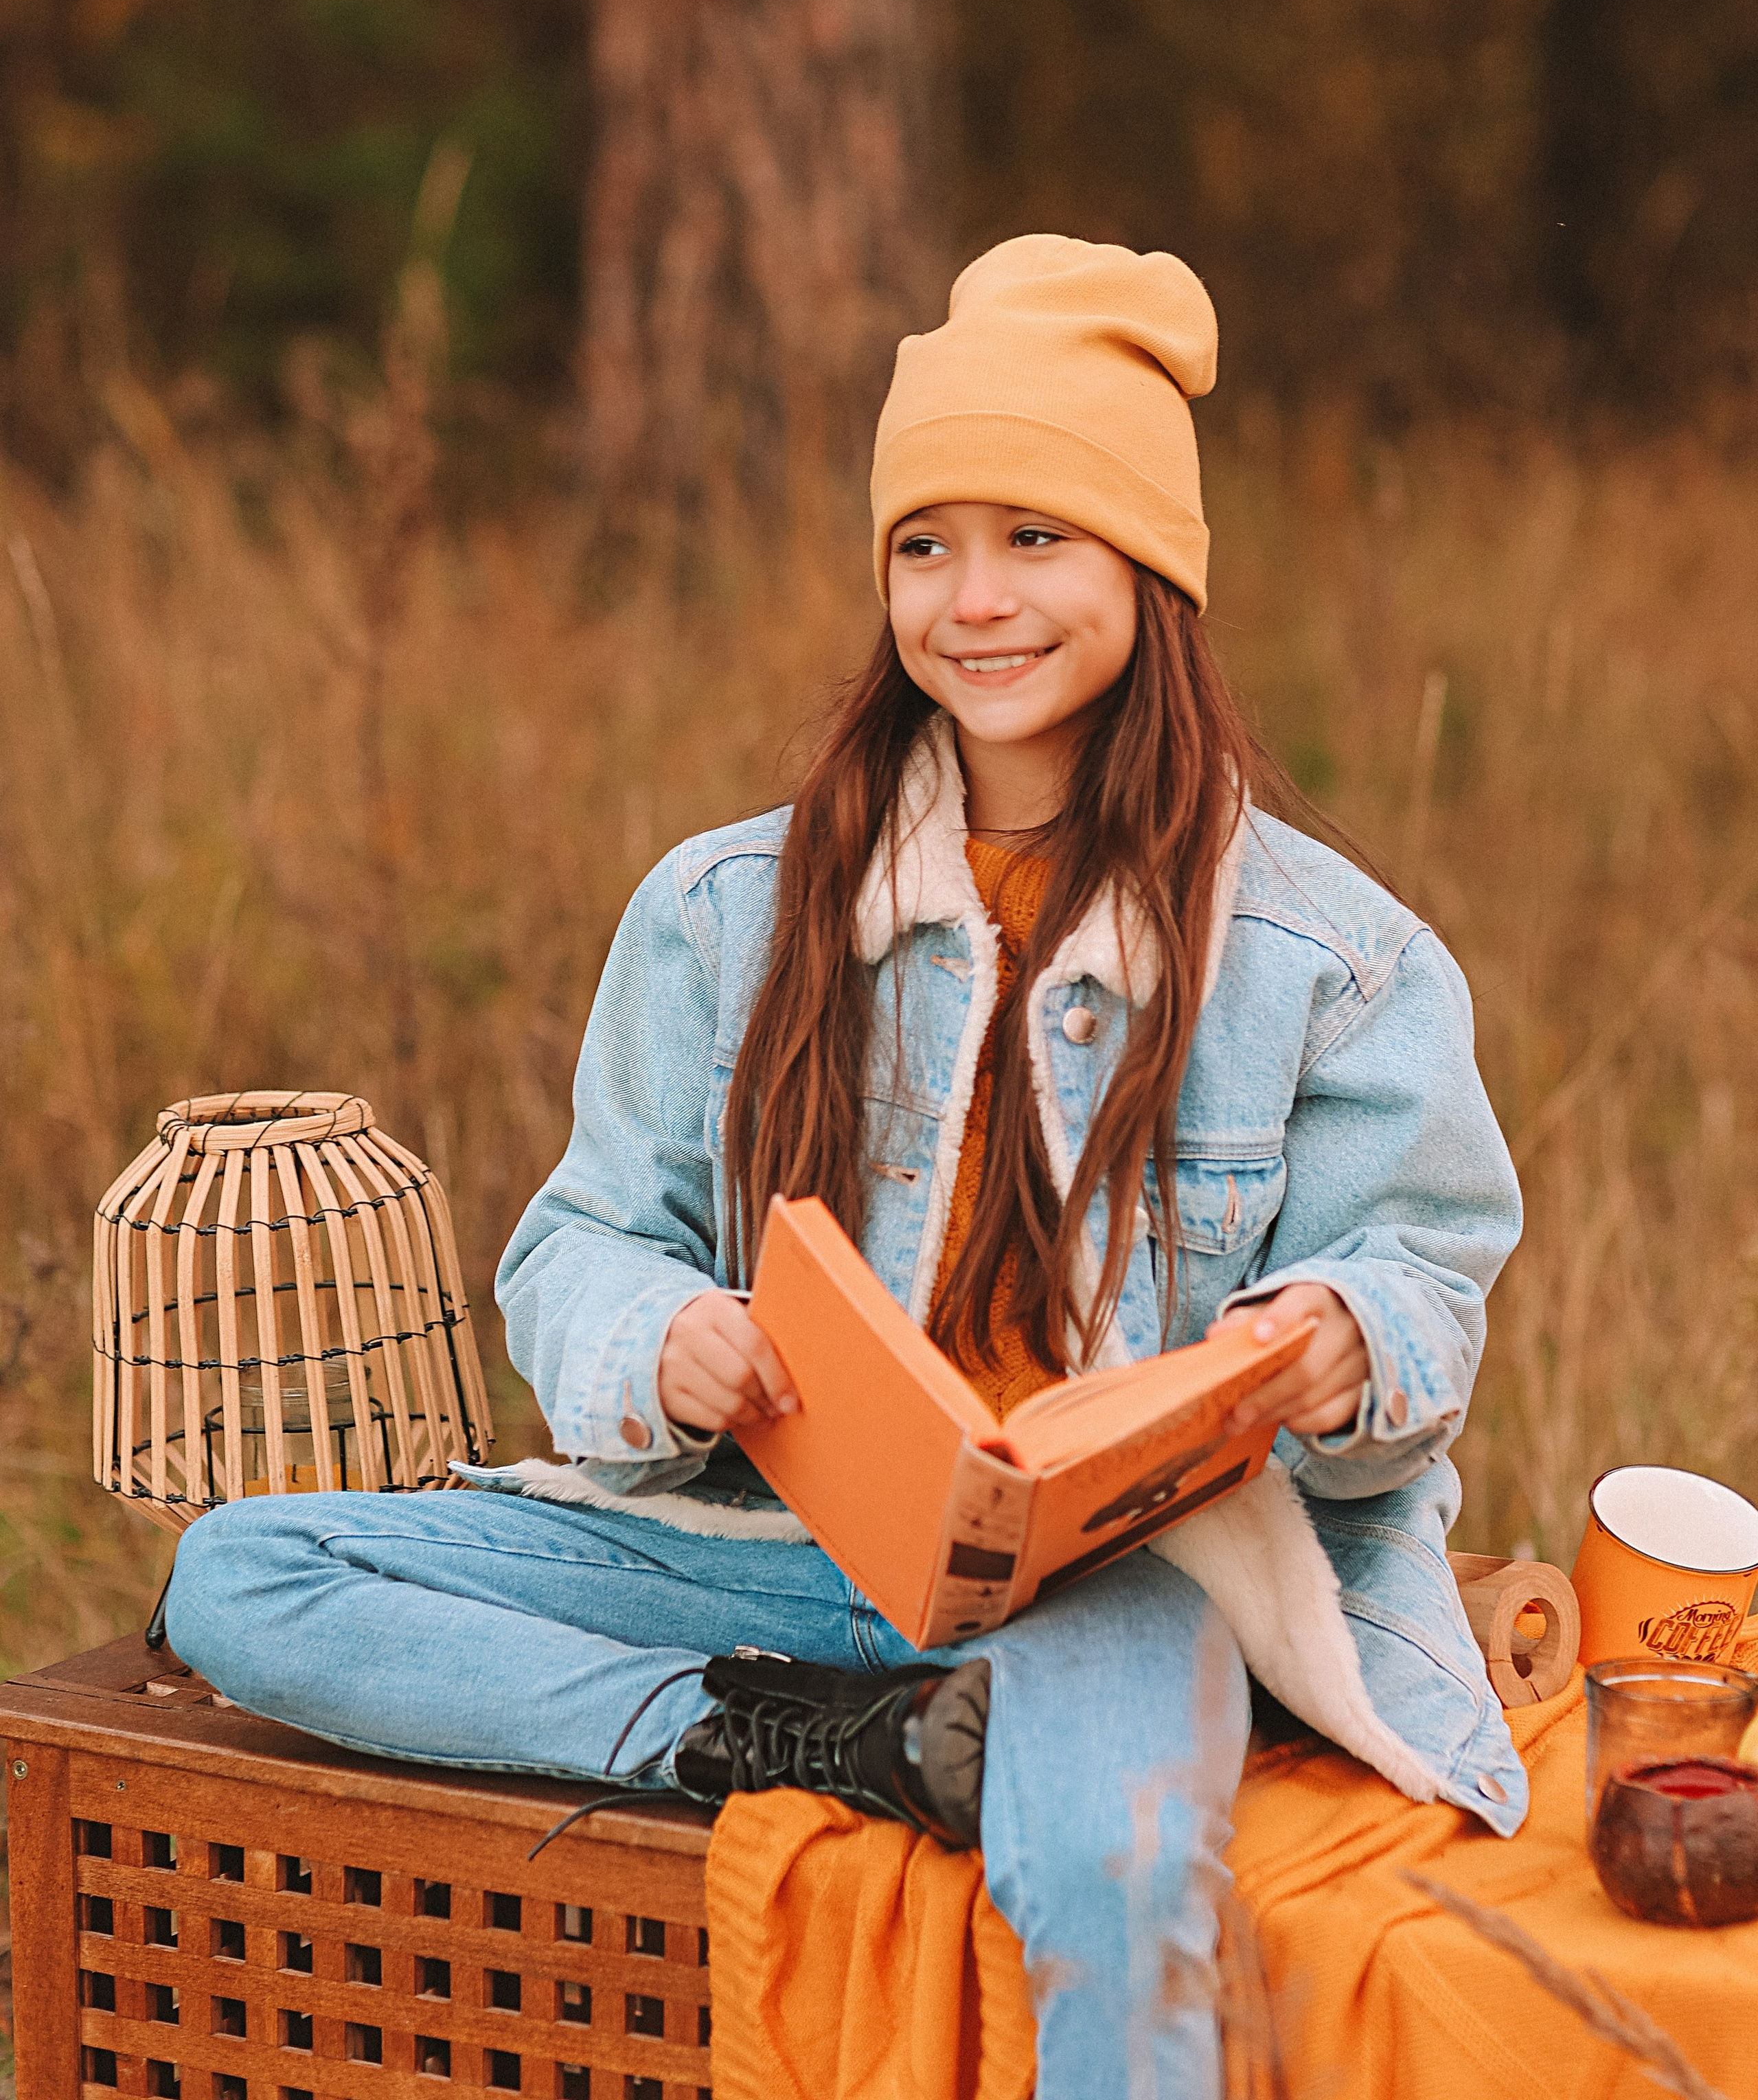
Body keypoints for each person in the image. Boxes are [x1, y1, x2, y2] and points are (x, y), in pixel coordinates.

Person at [167, 235, 1525, 2099]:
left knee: (1120, 1870)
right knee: (244, 1577)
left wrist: (1336, 1341)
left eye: (1037, 536)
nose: (974, 599)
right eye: (924, 544)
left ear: (1154, 567)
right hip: (783, 1547)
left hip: (1122, 1581)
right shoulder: (726, 910)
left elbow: (1425, 1274)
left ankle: (939, 1741)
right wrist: (664, 1342)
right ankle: (797, 1747)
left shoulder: (1330, 960)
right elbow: (579, 1248)